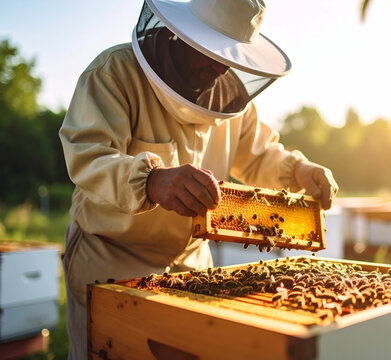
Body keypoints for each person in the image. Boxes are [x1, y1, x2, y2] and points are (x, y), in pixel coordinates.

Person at [58, 0, 338, 358]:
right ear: (183, 34)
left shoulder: (232, 100)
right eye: (210, 50)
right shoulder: (115, 73)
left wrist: (299, 170)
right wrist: (151, 180)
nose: (219, 67)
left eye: (229, 55)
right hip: (111, 256)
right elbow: (88, 156)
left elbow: (260, 155)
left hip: (190, 264)